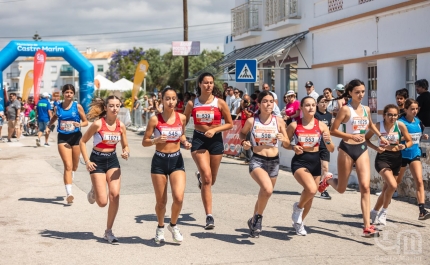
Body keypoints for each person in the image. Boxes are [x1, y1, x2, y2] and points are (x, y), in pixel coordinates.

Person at [318, 79, 388, 237]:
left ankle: (367, 226)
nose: (361, 94)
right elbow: (333, 130)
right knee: (341, 188)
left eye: (363, 91)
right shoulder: (345, 110)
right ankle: (328, 179)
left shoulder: (366, 109)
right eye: (357, 92)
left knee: (365, 187)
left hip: (362, 148)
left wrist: (380, 137)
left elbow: (370, 124)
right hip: (347, 149)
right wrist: (350, 135)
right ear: (350, 93)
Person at [183, 72, 233, 229]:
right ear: (199, 84)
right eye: (205, 82)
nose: (209, 85)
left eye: (211, 83)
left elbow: (230, 124)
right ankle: (209, 216)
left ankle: (201, 178)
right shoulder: (192, 103)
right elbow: (181, 122)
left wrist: (216, 129)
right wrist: (183, 138)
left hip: (216, 141)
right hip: (199, 140)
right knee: (207, 178)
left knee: (212, 179)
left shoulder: (220, 103)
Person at [142, 87, 192, 244]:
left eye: (174, 99)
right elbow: (145, 142)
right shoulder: (155, 120)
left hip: (176, 160)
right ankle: (160, 227)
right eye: (167, 99)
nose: (171, 102)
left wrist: (184, 141)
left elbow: (181, 133)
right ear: (162, 100)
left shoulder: (182, 117)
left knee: (178, 197)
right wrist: (155, 141)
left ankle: (173, 225)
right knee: (161, 201)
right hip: (159, 161)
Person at [79, 95, 129, 244]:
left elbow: (125, 145)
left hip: (112, 160)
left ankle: (108, 231)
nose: (115, 108)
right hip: (97, 161)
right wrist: (87, 161)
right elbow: (82, 141)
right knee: (102, 202)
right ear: (106, 108)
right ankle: (94, 189)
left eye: (117, 106)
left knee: (115, 195)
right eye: (112, 106)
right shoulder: (98, 124)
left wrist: (126, 151)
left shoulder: (121, 126)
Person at [240, 90, 289, 238]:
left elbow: (286, 143)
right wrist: (244, 142)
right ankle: (259, 218)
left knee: (264, 194)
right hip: (257, 160)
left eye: (271, 101)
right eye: (265, 101)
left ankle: (254, 220)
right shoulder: (252, 121)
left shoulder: (279, 121)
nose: (268, 104)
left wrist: (283, 138)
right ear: (259, 104)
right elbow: (242, 133)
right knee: (267, 190)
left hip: (274, 162)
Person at [285, 96, 334, 235]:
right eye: (307, 105)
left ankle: (299, 223)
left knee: (310, 197)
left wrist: (328, 141)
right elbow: (285, 143)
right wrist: (293, 147)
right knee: (312, 189)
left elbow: (331, 149)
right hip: (300, 161)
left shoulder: (322, 125)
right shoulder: (294, 125)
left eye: (313, 105)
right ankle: (298, 208)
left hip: (315, 161)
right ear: (301, 108)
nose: (311, 107)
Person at [366, 104, 412, 226]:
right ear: (384, 115)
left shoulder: (400, 125)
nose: (392, 117)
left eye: (395, 115)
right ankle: (384, 212)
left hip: (397, 159)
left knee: (387, 189)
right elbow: (366, 139)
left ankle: (374, 211)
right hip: (382, 159)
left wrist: (405, 145)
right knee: (392, 185)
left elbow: (409, 140)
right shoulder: (377, 126)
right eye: (390, 115)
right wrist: (376, 148)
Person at [46, 85, 88, 203]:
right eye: (66, 92)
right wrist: (49, 126)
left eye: (71, 92)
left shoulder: (77, 106)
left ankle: (71, 175)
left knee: (74, 166)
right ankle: (69, 193)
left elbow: (85, 121)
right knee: (68, 166)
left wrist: (80, 125)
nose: (69, 94)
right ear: (63, 94)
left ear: (73, 94)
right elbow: (55, 117)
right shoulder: (58, 106)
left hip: (76, 137)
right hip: (63, 137)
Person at [396, 99, 430, 220]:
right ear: (405, 110)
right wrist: (402, 141)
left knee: (419, 181)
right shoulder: (400, 123)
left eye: (416, 109)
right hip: (401, 155)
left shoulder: (418, 122)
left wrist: (423, 136)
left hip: (415, 154)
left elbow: (418, 135)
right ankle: (385, 200)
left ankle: (422, 210)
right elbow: (394, 138)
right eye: (412, 109)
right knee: (396, 182)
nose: (415, 111)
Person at [315, 95, 333, 199]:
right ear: (317, 104)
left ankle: (323, 190)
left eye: (325, 102)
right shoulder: (315, 115)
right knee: (316, 168)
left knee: (325, 167)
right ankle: (312, 186)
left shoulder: (330, 116)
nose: (324, 104)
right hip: (315, 145)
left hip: (325, 145)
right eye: (322, 102)